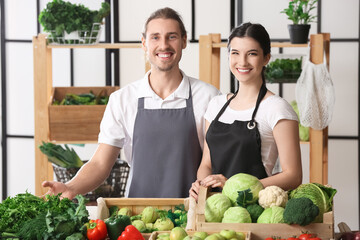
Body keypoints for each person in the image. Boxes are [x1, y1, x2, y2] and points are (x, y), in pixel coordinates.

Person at [42, 7, 220, 199]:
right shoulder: (123, 99)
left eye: (172, 37)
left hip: (191, 214)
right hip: (137, 216)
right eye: (155, 37)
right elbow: (100, 164)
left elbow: (214, 162)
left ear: (184, 41)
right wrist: (71, 188)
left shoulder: (208, 97)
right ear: (144, 43)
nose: (163, 45)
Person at [189, 23, 302, 200]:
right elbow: (206, 164)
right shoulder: (216, 105)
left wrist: (236, 188)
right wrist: (202, 185)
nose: (242, 62)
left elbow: (293, 175)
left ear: (266, 58)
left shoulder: (277, 108)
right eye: (235, 53)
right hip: (214, 208)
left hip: (253, 210)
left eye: (252, 54)